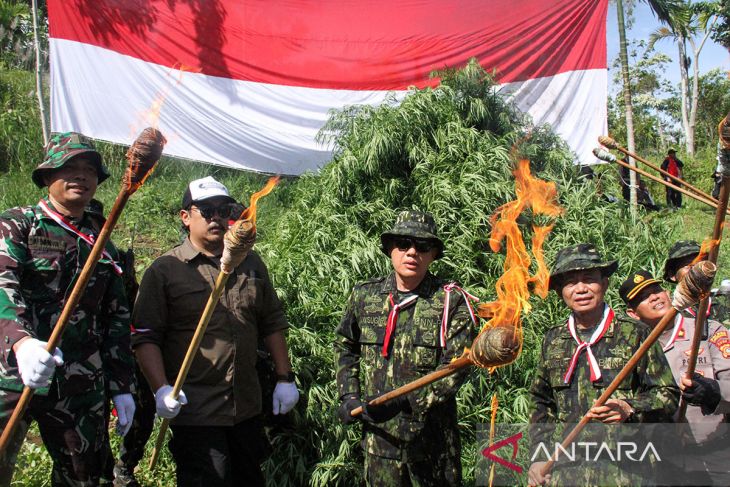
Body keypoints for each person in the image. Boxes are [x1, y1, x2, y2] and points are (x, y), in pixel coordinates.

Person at [132, 176, 299, 486]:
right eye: (207, 211)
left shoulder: (249, 264)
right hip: (197, 411)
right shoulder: (166, 270)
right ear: (185, 217)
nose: (217, 218)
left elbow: (272, 322)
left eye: (223, 210)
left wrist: (284, 378)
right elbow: (145, 336)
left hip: (246, 406)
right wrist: (161, 389)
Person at [0, 132, 136, 486]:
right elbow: (2, 286)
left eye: (89, 169)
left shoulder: (104, 244)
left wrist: (122, 385)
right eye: (68, 167)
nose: (80, 175)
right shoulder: (18, 225)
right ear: (47, 177)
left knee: (84, 477)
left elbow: (117, 318)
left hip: (79, 382)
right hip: (14, 374)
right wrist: (22, 343)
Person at [335, 210, 478, 486]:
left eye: (423, 246)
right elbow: (345, 344)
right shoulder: (364, 295)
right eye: (404, 244)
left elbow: (457, 366)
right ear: (390, 249)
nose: (412, 252)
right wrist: (348, 395)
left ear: (434, 254)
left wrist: (407, 401)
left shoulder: (451, 301)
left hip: (433, 446)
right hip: (381, 443)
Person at [527, 243, 679, 487]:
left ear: (605, 284)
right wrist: (539, 455)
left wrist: (629, 408)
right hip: (568, 473)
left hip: (629, 473)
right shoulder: (553, 340)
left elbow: (668, 395)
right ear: (559, 292)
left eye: (589, 279)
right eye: (570, 282)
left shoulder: (636, 334)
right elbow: (541, 403)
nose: (581, 289)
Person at [620, 270, 730, 485]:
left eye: (656, 290)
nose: (654, 297)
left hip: (719, 455)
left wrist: (714, 393)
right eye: (643, 297)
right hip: (664, 462)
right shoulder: (632, 351)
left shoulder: (706, 331)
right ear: (633, 314)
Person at [663, 240, 730, 325]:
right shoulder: (669, 312)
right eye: (688, 266)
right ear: (672, 275)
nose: (695, 270)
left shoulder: (723, 303)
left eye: (699, 264)